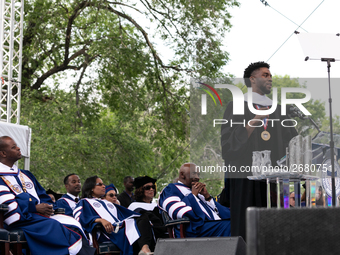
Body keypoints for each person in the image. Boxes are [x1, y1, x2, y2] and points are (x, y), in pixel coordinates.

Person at [221, 61, 298, 240]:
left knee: (275, 233)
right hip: (246, 181)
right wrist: (255, 120)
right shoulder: (237, 106)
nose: (270, 78)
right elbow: (228, 147)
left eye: (270, 75)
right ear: (252, 79)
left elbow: (292, 143)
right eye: (265, 75)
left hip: (275, 182)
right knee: (249, 232)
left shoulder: (278, 109)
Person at [0, 136, 94, 255]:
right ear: (3, 153)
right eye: (14, 147)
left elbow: (43, 196)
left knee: (73, 224)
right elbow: (9, 209)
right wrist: (34, 208)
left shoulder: (26, 175)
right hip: (23, 220)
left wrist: (47, 207)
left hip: (39, 217)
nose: (19, 148)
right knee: (55, 226)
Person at [74, 176, 152, 255]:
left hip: (119, 226)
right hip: (108, 231)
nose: (104, 186)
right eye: (100, 184)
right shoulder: (84, 202)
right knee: (140, 223)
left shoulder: (106, 202)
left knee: (143, 217)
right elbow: (79, 218)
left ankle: (144, 248)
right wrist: (100, 220)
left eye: (103, 184)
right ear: (91, 188)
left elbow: (124, 214)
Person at [158, 163, 231, 237]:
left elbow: (221, 213)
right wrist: (193, 196)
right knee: (232, 226)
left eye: (198, 174)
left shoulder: (197, 193)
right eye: (194, 173)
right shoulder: (171, 189)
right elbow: (180, 212)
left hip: (211, 226)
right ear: (182, 174)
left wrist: (207, 197)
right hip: (193, 230)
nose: (197, 177)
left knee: (238, 223)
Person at [128, 176, 167, 252]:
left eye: (153, 187)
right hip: (146, 238)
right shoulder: (134, 206)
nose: (151, 189)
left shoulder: (156, 206)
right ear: (140, 190)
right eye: (147, 187)